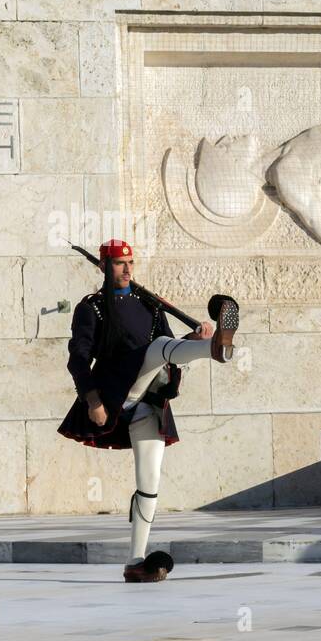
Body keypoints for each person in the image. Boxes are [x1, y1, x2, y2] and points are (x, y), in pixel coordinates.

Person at [58, 239, 239, 583]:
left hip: (149, 399)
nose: (127, 270)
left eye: (130, 263)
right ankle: (214, 350)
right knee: (157, 348)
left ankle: (135, 561)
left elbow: (170, 349)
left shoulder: (149, 306)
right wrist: (92, 400)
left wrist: (193, 338)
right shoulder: (92, 308)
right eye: (118, 264)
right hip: (115, 391)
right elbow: (78, 358)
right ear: (103, 268)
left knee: (149, 482)